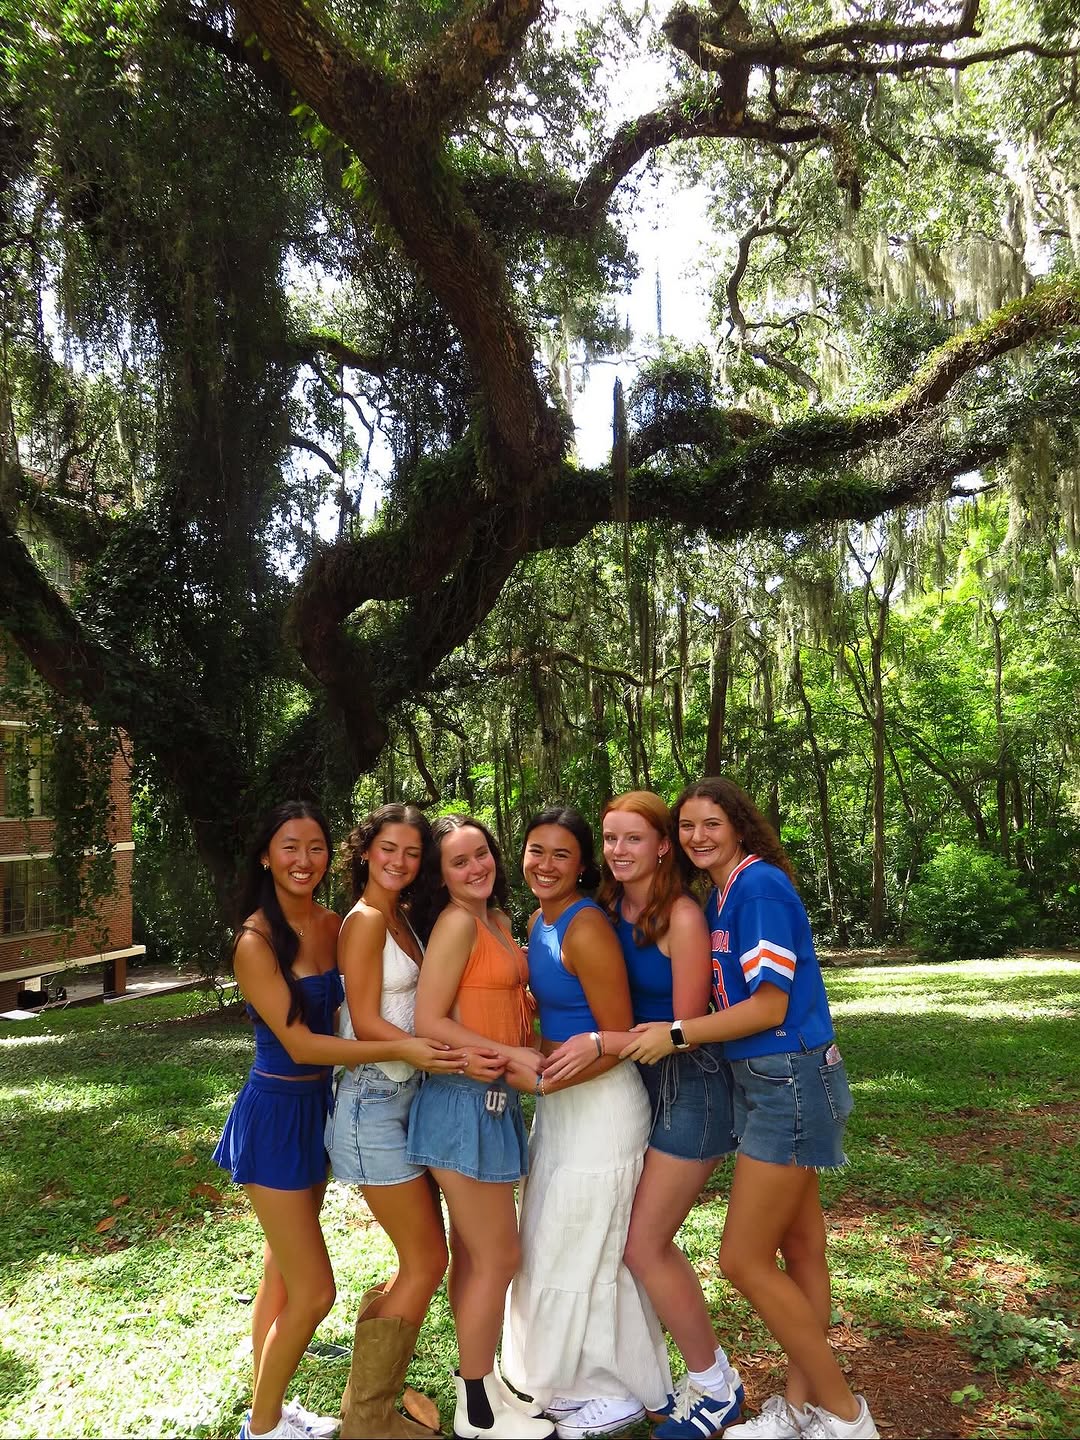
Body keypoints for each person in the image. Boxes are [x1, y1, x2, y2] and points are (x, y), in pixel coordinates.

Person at [622, 779, 879, 1440]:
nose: (697, 836)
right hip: (771, 1080)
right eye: (686, 826)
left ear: (738, 825)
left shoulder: (758, 888)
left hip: (788, 1082)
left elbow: (769, 1005)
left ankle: (847, 1417)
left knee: (742, 1259)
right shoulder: (723, 895)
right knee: (802, 1249)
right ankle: (801, 1408)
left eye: (711, 823)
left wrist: (676, 1033)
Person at [212, 801, 458, 1440]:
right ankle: (261, 1428)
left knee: (280, 1270)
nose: (304, 860)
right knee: (315, 1290)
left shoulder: (332, 923)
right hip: (276, 1114)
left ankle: (268, 1401)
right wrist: (402, 1050)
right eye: (289, 847)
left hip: (320, 1104)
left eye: (315, 847)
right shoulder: (255, 941)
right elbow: (301, 1045)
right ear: (266, 855)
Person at [543, 790, 743, 1439]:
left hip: (693, 1085)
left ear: (662, 846)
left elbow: (681, 1030)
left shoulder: (681, 916)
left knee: (644, 1245)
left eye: (634, 838)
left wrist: (600, 1041)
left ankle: (716, 1387)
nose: (618, 850)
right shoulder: (605, 910)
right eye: (610, 838)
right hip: (634, 1087)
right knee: (624, 1240)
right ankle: (625, 1373)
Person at [502, 807, 671, 1440]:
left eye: (561, 855)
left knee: (593, 1242)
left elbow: (619, 1037)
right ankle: (570, 1382)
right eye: (535, 851)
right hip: (560, 1104)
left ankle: (618, 1387)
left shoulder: (586, 925)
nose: (545, 865)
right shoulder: (536, 921)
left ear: (581, 866)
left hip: (601, 1106)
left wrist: (542, 1081)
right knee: (554, 1238)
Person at [406, 815, 556, 1440]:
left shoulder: (496, 918)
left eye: (482, 854)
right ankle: (475, 1407)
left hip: (492, 1101)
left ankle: (486, 1383)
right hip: (459, 1105)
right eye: (459, 861)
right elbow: (429, 1021)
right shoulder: (457, 924)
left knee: (474, 1256)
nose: (476, 867)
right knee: (501, 1255)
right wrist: (509, 1052)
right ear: (441, 876)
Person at [324, 804, 469, 1439]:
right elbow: (364, 1020)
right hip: (372, 1101)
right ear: (365, 851)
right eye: (388, 849)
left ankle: (365, 1405)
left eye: (412, 852)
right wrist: (422, 1051)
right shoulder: (363, 921)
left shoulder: (402, 915)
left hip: (407, 1095)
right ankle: (369, 1419)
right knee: (427, 1260)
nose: (400, 862)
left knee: (422, 1258)